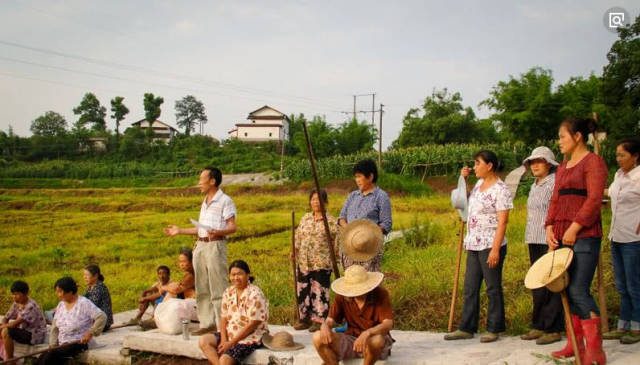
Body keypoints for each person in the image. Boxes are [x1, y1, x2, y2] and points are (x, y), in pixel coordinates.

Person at [545, 117, 608, 364]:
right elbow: (555, 200)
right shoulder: (562, 166)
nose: (559, 142)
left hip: (584, 235)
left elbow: (593, 200)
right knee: (565, 289)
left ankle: (595, 350)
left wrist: (575, 227)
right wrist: (549, 226)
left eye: (562, 136)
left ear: (578, 136)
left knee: (578, 288)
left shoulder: (594, 162)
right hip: (561, 234)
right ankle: (574, 343)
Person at [444, 150, 513, 343]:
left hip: (491, 244)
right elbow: (464, 201)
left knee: (492, 287)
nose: (474, 167)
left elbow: (503, 222)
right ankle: (467, 327)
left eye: (477, 163)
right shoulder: (479, 184)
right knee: (471, 287)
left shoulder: (500, 189)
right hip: (473, 243)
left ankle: (494, 328)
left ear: (489, 165)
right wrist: (463, 179)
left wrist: (496, 249)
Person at [164, 166, 237, 335]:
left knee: (218, 287)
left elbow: (232, 227)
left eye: (201, 180)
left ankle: (222, 327)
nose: (199, 184)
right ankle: (207, 324)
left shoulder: (225, 200)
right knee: (202, 287)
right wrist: (179, 230)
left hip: (215, 245)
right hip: (201, 245)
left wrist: (219, 231)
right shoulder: (204, 202)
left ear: (212, 181)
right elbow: (200, 229)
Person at [520, 147, 564, 345]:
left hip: (549, 239)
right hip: (533, 238)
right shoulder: (535, 184)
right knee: (537, 284)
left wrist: (553, 236)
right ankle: (538, 325)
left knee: (551, 284)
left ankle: (553, 328)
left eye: (540, 161)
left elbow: (556, 211)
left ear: (549, 164)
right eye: (532, 162)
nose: (535, 165)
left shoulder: (554, 183)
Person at [313, 265, 393, 365]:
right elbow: (330, 320)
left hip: (374, 340)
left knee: (377, 340)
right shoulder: (342, 296)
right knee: (317, 337)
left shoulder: (380, 293)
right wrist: (324, 326)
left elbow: (388, 323)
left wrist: (367, 333)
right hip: (351, 339)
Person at [603, 138, 640, 344]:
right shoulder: (618, 175)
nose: (618, 159)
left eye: (622, 155)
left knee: (634, 283)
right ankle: (623, 324)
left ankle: (637, 326)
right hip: (616, 236)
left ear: (635, 157)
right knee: (622, 284)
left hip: (633, 239)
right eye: (617, 155)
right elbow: (612, 193)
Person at [198, 260, 268, 365]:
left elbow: (253, 324)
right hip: (230, 334)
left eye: (239, 274)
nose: (236, 278)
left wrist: (230, 343)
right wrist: (223, 339)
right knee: (204, 341)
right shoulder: (228, 292)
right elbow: (223, 317)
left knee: (225, 360)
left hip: (250, 338)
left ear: (248, 275)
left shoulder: (255, 294)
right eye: (233, 274)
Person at [290, 189, 339, 332]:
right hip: (304, 261)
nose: (315, 202)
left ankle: (319, 321)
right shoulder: (305, 218)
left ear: (325, 202)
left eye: (319, 200)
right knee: (303, 289)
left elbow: (337, 242)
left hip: (322, 263)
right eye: (313, 199)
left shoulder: (331, 222)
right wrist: (295, 250)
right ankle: (304, 320)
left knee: (320, 291)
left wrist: (335, 258)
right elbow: (298, 236)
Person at [37, 277, 107, 365]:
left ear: (70, 291)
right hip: (63, 344)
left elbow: (102, 316)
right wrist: (52, 345)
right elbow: (55, 328)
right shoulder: (61, 305)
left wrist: (90, 332)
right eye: (57, 292)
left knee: (51, 355)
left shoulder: (84, 303)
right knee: (45, 354)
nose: (58, 295)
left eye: (60, 292)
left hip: (78, 343)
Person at [338, 159, 392, 272]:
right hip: (350, 245)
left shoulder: (381, 196)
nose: (357, 180)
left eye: (359, 176)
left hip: (369, 247)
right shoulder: (352, 196)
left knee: (368, 281)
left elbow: (386, 223)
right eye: (355, 177)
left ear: (370, 177)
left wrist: (367, 234)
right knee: (352, 280)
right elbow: (341, 217)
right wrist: (350, 230)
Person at [0, 281, 47, 362]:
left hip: (33, 335)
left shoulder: (30, 306)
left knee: (6, 331)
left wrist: (2, 327)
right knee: (3, 328)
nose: (14, 297)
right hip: (23, 330)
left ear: (26, 293)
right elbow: (6, 317)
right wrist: (3, 325)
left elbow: (14, 324)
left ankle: (10, 360)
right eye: (13, 294)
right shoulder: (16, 303)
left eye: (17, 294)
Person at [154, 249, 197, 334]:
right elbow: (179, 286)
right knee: (171, 292)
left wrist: (164, 288)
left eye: (184, 261)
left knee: (171, 293)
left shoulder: (191, 275)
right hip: (193, 303)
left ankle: (157, 317)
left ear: (192, 261)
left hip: (197, 305)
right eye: (180, 261)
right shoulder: (189, 274)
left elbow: (177, 290)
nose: (181, 264)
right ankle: (157, 317)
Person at [83, 264, 113, 331]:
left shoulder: (99, 287)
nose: (84, 277)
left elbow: (91, 305)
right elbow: (83, 299)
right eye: (84, 275)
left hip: (102, 322)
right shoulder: (91, 287)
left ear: (95, 276)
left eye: (87, 275)